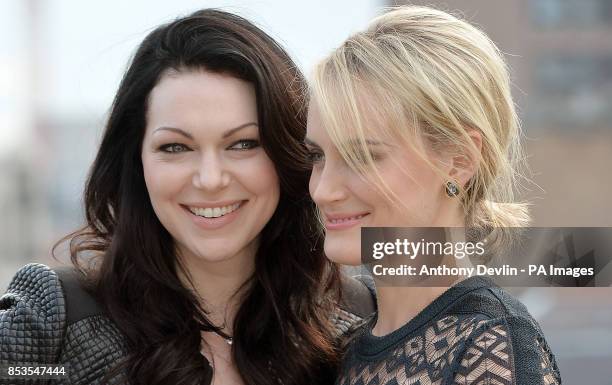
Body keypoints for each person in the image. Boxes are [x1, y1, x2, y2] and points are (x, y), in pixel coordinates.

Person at [0, 9, 374, 385]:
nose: (210, 179)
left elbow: (433, 250)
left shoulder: (361, 314)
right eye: (176, 147)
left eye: (243, 144)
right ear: (137, 161)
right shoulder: (56, 317)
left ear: (287, 154)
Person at [305, 6, 562, 385]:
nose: (323, 189)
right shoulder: (341, 345)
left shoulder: (490, 348)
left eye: (362, 157)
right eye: (317, 156)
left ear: (458, 161)